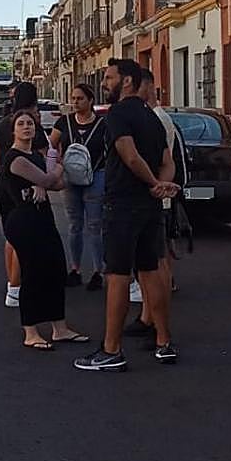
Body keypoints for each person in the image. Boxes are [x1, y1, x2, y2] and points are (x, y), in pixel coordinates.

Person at [75, 59, 180, 372]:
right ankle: (163, 342)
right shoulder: (151, 117)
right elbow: (167, 160)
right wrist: (161, 184)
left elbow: (129, 156)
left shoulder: (118, 113)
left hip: (123, 204)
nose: (105, 83)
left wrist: (152, 183)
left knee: (118, 276)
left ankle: (111, 349)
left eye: (109, 78)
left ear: (128, 82)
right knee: (150, 271)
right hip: (149, 207)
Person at [0, 109, 89, 350]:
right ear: (13, 131)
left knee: (56, 269)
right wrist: (54, 171)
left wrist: (45, 180)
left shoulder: (36, 155)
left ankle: (60, 328)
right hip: (23, 221)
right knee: (33, 273)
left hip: (42, 218)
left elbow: (58, 185)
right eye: (21, 124)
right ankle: (31, 331)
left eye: (30, 123)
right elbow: (51, 180)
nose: (27, 127)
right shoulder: (15, 158)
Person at [127, 68, 185, 337]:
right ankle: (148, 316)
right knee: (149, 263)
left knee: (157, 263)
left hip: (155, 200)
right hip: (155, 197)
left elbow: (162, 160)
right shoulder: (153, 117)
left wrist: (155, 187)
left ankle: (157, 324)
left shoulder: (155, 119)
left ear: (146, 86)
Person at [0, 82, 49, 308]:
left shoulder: (2, 124)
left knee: (11, 236)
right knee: (26, 237)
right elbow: (44, 158)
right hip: (26, 187)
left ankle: (12, 286)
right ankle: (19, 286)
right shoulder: (31, 124)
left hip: (4, 187)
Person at [50, 83, 106, 291]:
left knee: (94, 225)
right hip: (71, 179)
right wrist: (54, 167)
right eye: (73, 98)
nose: (75, 102)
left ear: (91, 101)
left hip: (96, 177)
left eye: (80, 98)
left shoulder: (102, 124)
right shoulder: (63, 122)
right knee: (74, 225)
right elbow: (51, 146)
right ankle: (75, 269)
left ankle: (98, 271)